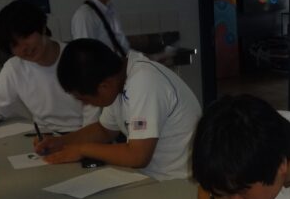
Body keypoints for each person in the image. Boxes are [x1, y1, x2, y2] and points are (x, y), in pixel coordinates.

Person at [35, 38, 200, 181]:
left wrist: (82, 149)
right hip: (151, 178)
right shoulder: (118, 80)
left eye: (85, 99)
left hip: (177, 182)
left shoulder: (144, 82)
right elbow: (104, 130)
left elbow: (137, 156)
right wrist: (62, 142)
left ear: (104, 86)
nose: (85, 105)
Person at [0, 0, 98, 135]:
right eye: (15, 45)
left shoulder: (79, 58)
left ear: (43, 28)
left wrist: (79, 140)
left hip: (86, 133)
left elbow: (94, 111)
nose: (24, 48)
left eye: (26, 36)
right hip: (44, 135)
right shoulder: (14, 68)